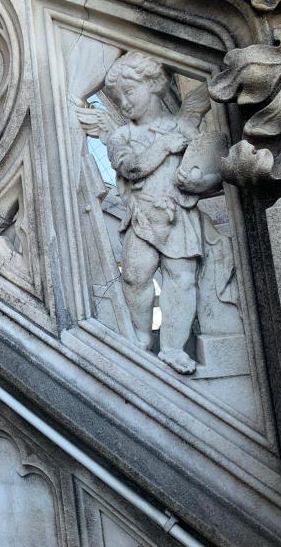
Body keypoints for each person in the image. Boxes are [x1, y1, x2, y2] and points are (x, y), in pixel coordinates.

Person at [102, 52, 210, 374]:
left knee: (182, 279)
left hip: (178, 215)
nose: (123, 103)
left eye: (129, 91)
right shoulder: (122, 136)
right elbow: (132, 168)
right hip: (142, 218)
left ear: (152, 84)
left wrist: (200, 181)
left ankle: (173, 348)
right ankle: (140, 338)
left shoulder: (183, 128)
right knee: (135, 276)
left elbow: (207, 164)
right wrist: (164, 146)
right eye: (117, 98)